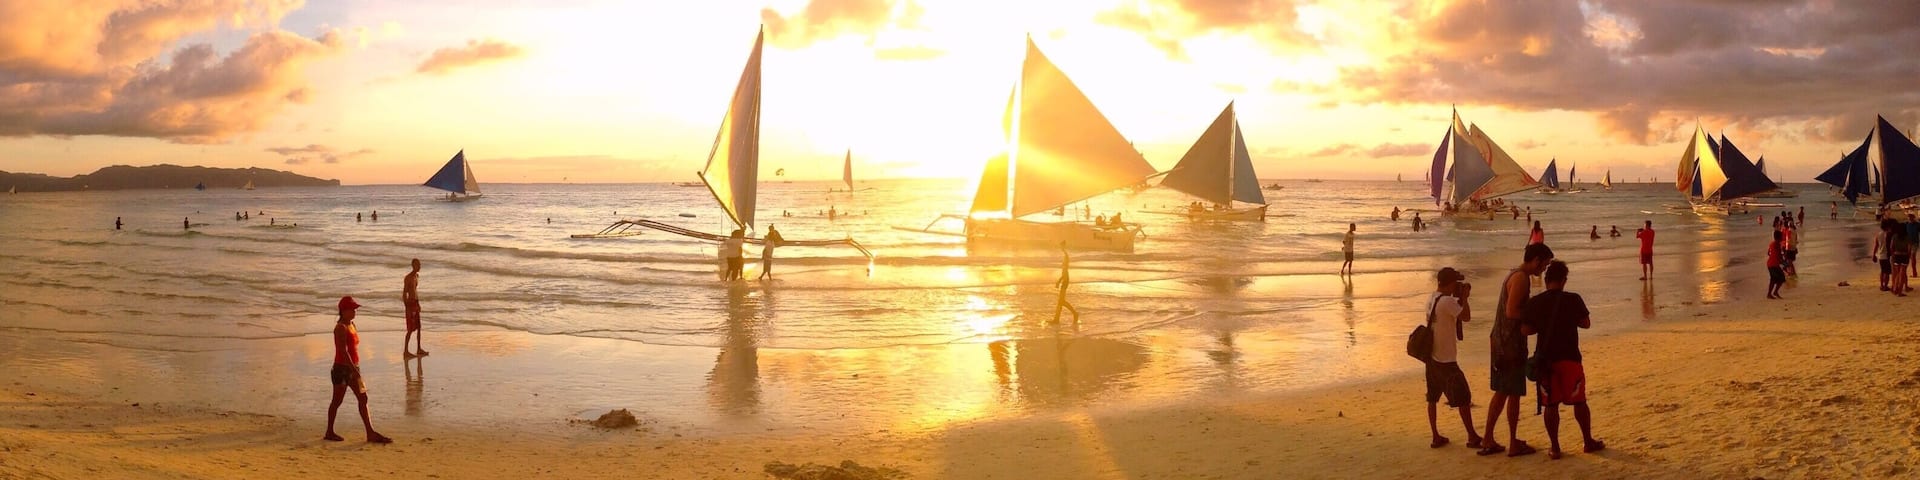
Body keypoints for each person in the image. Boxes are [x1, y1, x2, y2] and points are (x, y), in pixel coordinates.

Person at [1521, 261, 1603, 459]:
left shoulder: (1536, 302)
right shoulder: (1573, 299)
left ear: (1546, 280)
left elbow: (1525, 330)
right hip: (1570, 357)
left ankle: (1555, 447)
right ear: (1564, 280)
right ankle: (1588, 441)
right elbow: (1586, 323)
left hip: (1546, 360)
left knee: (1551, 405)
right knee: (1579, 402)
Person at [1479, 243, 1553, 457]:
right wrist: (1536, 316)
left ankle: (1489, 438)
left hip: (1502, 341)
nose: (1545, 269)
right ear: (1537, 260)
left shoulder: (1515, 274)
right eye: (1545, 264)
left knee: (1503, 392)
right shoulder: (1521, 278)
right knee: (1511, 394)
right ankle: (1511, 442)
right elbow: (1512, 311)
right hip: (1510, 344)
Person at [1423, 267, 1480, 450]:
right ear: (1451, 283)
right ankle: (1471, 436)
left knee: (1432, 397)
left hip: (1432, 358)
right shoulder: (1447, 302)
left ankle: (1435, 435)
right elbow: (1466, 317)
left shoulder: (1432, 298)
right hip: (1446, 360)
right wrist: (1465, 298)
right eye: (1456, 282)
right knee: (1463, 398)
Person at [324, 296, 392, 443]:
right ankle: (329, 431)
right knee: (337, 401)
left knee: (363, 397)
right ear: (343, 311)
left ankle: (370, 432)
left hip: (353, 367)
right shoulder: (340, 328)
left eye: (355, 309)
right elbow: (343, 351)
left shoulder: (352, 325)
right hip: (342, 369)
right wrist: (353, 368)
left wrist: (355, 368)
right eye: (352, 309)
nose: (354, 312)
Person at [402, 259, 428, 357]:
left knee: (419, 327)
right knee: (410, 329)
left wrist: (419, 303)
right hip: (410, 304)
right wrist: (406, 307)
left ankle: (419, 349)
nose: (420, 266)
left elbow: (415, 291)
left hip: (416, 303)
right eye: (418, 265)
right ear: (413, 265)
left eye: (420, 264)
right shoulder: (408, 278)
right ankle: (405, 351)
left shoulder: (416, 276)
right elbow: (404, 293)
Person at [1052, 242, 1079, 328]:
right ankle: (1056, 319)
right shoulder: (1065, 256)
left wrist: (1059, 281)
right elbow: (1064, 271)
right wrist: (1059, 281)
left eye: (1061, 246)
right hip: (1065, 279)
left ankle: (1075, 314)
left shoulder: (1066, 257)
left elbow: (1065, 272)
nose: (1060, 248)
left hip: (1065, 279)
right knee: (1060, 301)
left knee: (1061, 301)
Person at [1873, 219, 1894, 291]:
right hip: (1886, 255)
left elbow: (1876, 246)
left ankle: (1881, 285)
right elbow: (1891, 246)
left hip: (1880, 255)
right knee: (1887, 272)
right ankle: (1885, 285)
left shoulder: (1878, 234)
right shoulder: (1889, 234)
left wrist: (1874, 255)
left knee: (1882, 270)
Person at [1766, 231, 1787, 299]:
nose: (1782, 237)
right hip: (1773, 265)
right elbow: (1778, 256)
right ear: (1779, 237)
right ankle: (1772, 293)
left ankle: (1772, 293)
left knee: (1776, 279)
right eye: (1781, 236)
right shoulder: (1777, 245)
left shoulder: (1772, 243)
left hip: (1771, 264)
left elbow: (1768, 253)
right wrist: (1784, 263)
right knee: (1780, 279)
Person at [1893, 226, 1912, 297]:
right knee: (1902, 274)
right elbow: (1909, 248)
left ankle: (1895, 288)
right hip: (1904, 256)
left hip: (1896, 255)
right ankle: (1900, 292)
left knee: (1897, 274)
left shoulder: (1895, 236)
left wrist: (1893, 254)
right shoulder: (1907, 237)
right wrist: (1909, 256)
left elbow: (1891, 246)